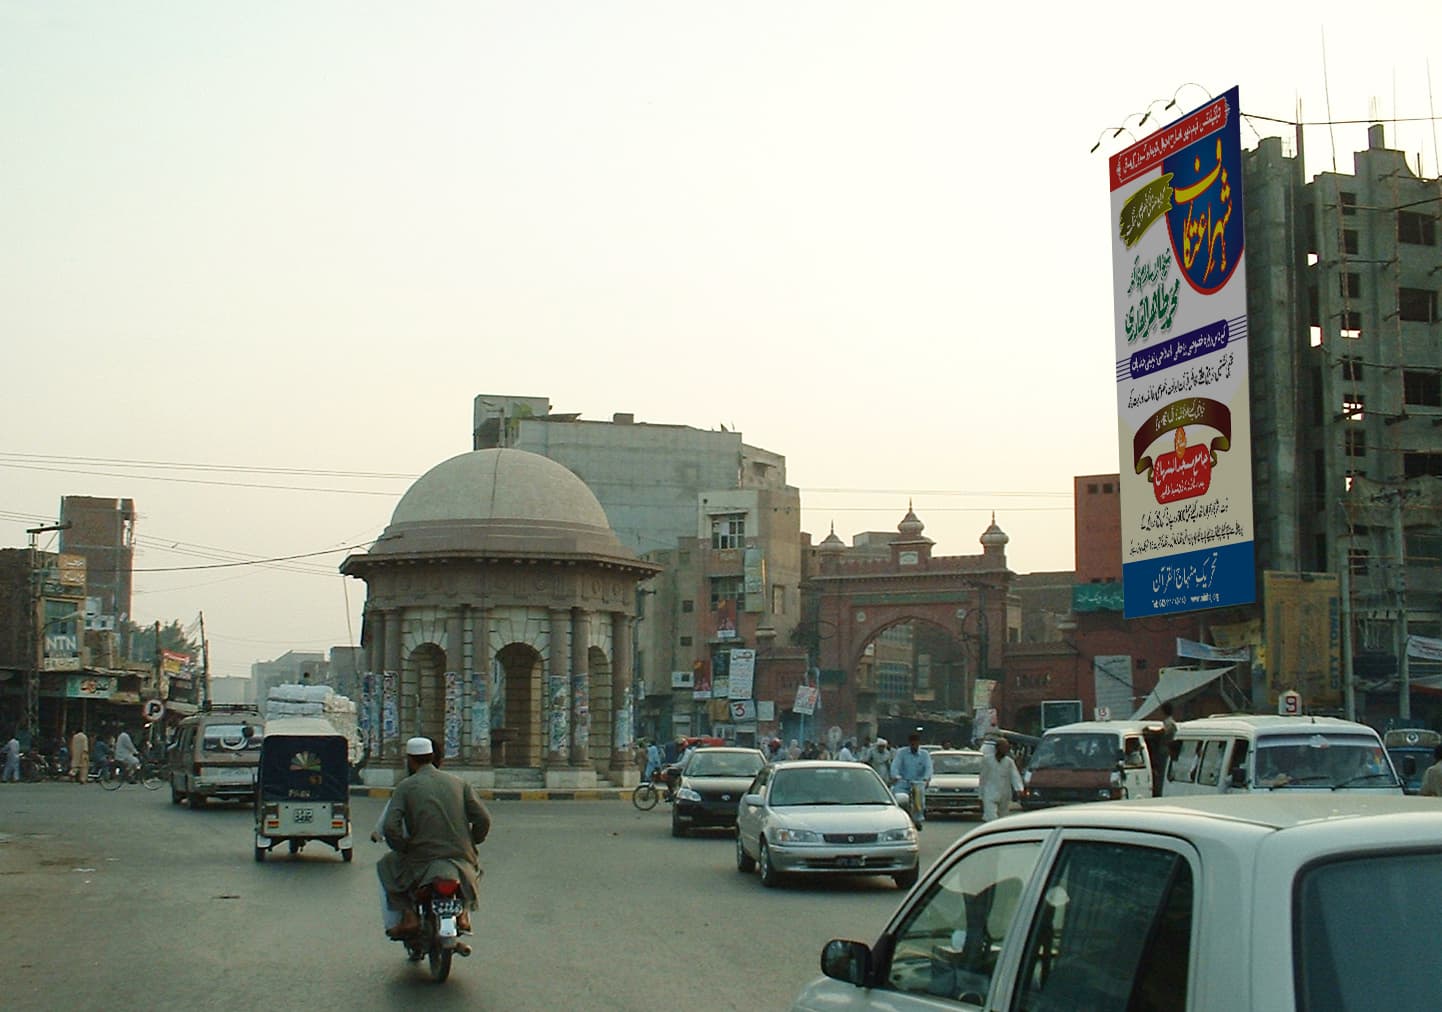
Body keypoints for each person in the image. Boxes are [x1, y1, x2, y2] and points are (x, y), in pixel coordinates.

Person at [378, 737, 492, 939]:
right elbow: (483, 818)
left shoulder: (406, 786)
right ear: (433, 757)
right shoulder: (460, 784)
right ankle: (463, 913)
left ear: (411, 761)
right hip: (460, 855)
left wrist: (403, 847)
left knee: (386, 865)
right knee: (474, 871)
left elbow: (390, 827)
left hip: (422, 858)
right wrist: (471, 841)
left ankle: (409, 915)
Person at [890, 733, 934, 828]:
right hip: (903, 781)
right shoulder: (901, 752)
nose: (914, 745)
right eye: (912, 743)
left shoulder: (924, 754)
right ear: (909, 743)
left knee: (919, 800)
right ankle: (899, 817)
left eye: (916, 743)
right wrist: (895, 776)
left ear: (919, 743)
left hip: (918, 782)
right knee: (897, 797)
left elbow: (929, 768)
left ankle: (918, 819)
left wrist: (926, 779)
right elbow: (895, 765)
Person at [979, 737, 1025, 821]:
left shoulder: (1009, 761)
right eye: (1004, 747)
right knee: (991, 817)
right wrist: (980, 795)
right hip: (989, 792)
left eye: (1007, 748)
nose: (1006, 750)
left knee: (1002, 818)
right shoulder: (987, 760)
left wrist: (1019, 789)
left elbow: (1014, 775)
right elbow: (983, 778)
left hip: (1005, 793)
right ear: (997, 748)